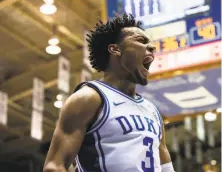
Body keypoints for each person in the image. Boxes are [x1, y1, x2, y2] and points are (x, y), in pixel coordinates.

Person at [43, 13, 174, 172]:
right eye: (141, 41)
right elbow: (54, 166)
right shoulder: (89, 98)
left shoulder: (152, 111)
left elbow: (166, 168)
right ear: (115, 49)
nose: (152, 47)